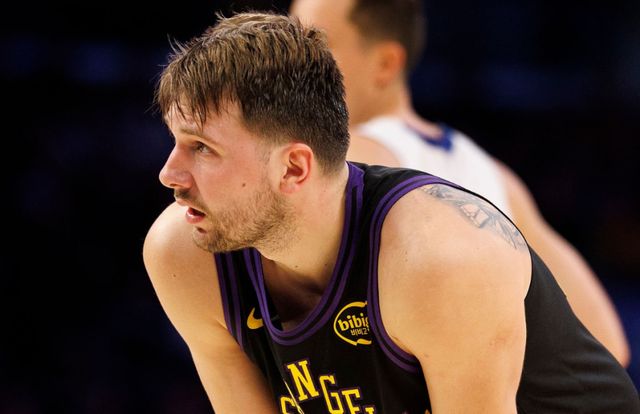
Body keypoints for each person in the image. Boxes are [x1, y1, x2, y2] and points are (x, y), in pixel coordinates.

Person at [143, 12, 640, 413]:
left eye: (202, 148)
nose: (169, 174)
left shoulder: (443, 261)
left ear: (294, 168)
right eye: (176, 142)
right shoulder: (181, 255)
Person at [289, 0, 631, 366]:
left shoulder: (344, 160)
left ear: (386, 63)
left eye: (313, 44)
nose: (290, 62)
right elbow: (608, 344)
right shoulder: (492, 174)